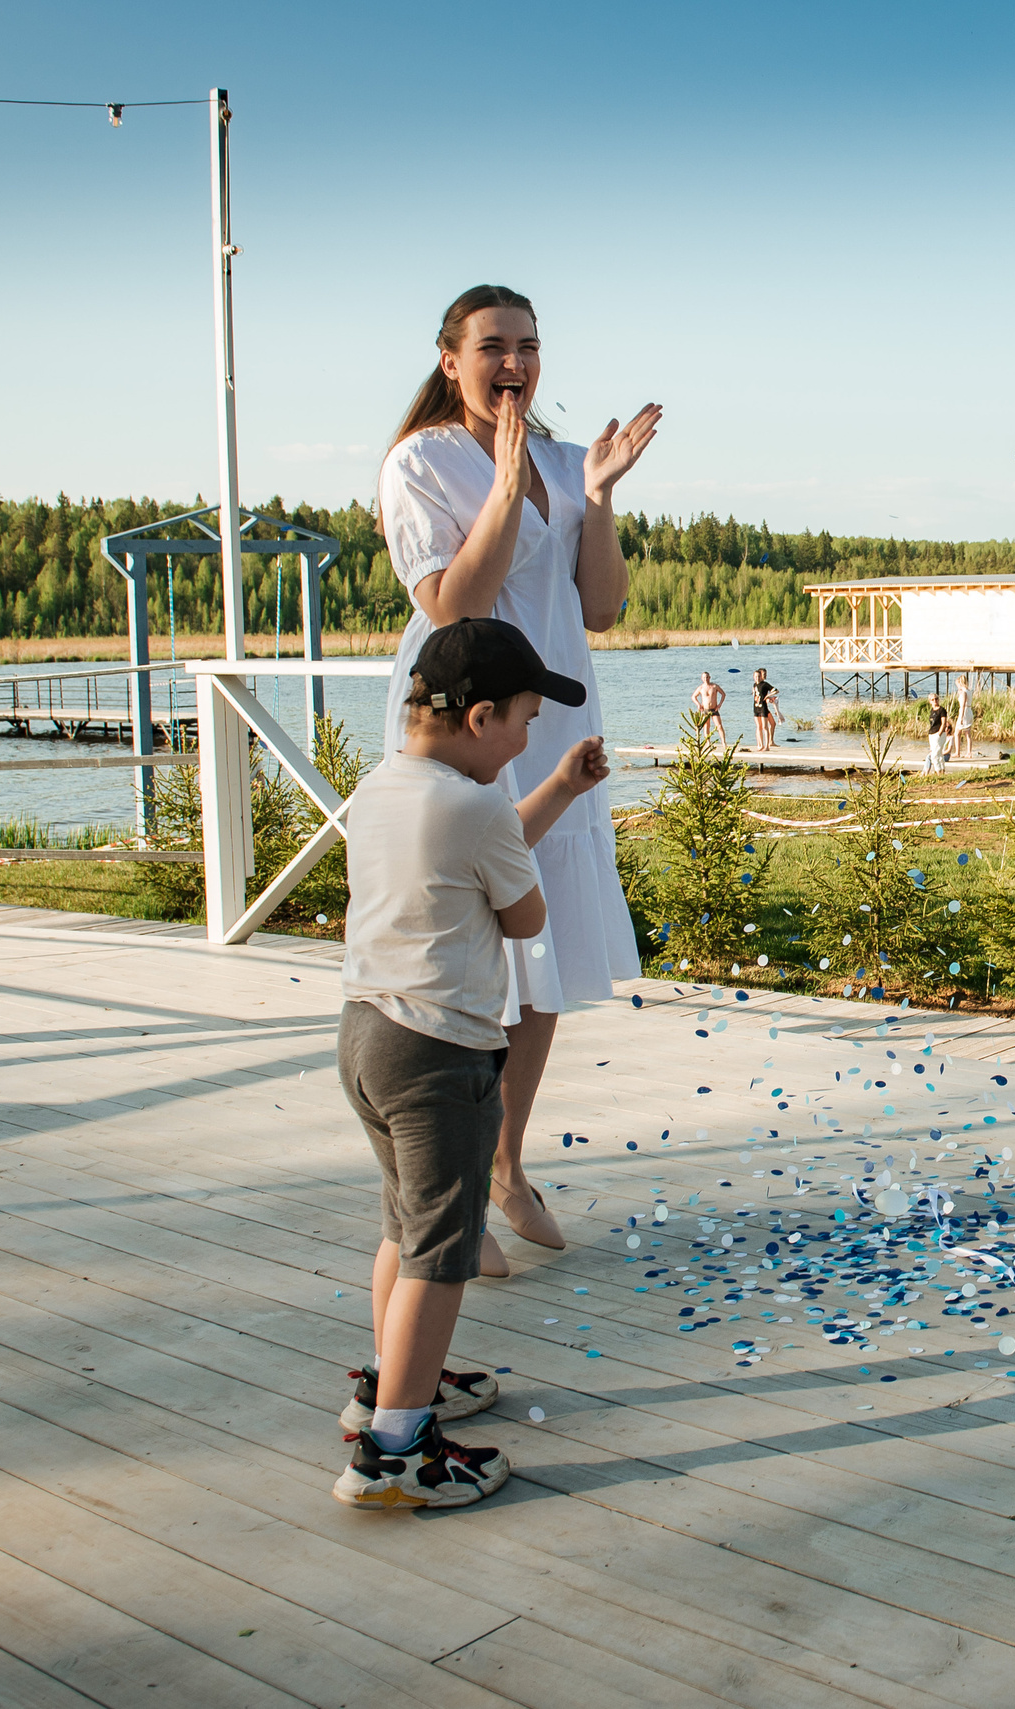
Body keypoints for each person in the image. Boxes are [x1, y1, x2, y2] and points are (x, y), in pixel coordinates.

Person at [376, 284, 660, 1277]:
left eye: (529, 346)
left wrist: (601, 494)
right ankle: (440, 1187)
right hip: (467, 723)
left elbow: (604, 604)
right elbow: (455, 600)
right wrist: (501, 488)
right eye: (493, 345)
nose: (515, 362)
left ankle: (504, 1161)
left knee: (540, 948)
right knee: (466, 955)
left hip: (556, 714)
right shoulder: (422, 461)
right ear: (450, 358)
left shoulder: (559, 459)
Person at [332, 618, 610, 1509]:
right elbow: (525, 916)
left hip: (367, 1034)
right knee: (442, 1255)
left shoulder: (382, 786)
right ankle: (397, 1449)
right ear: (480, 716)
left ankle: (389, 1379)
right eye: (527, 721)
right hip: (441, 1053)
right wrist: (540, 819)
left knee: (404, 1226)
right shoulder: (479, 805)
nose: (534, 739)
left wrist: (559, 789)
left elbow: (473, 853)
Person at [693, 671, 729, 742]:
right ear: (702, 678)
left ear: (709, 677)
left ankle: (723, 742)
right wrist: (698, 704)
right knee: (706, 727)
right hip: (705, 709)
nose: (706, 679)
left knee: (719, 726)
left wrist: (719, 704)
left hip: (714, 709)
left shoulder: (714, 686)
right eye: (704, 677)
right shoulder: (701, 688)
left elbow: (723, 694)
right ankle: (708, 743)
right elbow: (693, 697)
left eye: (707, 677)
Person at [750, 667, 780, 750]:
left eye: (759, 676)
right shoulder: (754, 685)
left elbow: (776, 690)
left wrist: (768, 696)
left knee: (765, 727)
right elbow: (754, 694)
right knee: (758, 727)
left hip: (763, 708)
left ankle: (767, 745)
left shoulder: (765, 684)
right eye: (756, 676)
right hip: (756, 707)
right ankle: (760, 744)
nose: (757, 678)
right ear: (753, 677)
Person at [922, 691, 948, 773]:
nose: (935, 701)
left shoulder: (942, 710)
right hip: (932, 733)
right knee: (939, 754)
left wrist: (939, 733)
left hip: (939, 733)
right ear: (930, 701)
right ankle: (942, 770)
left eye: (936, 699)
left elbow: (944, 723)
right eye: (932, 699)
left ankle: (938, 771)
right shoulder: (932, 710)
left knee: (934, 755)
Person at [951, 678, 975, 758]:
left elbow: (963, 705)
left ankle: (960, 752)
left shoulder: (964, 692)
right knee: (966, 733)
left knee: (958, 733)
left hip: (964, 712)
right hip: (968, 711)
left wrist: (961, 717)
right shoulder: (968, 691)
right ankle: (967, 752)